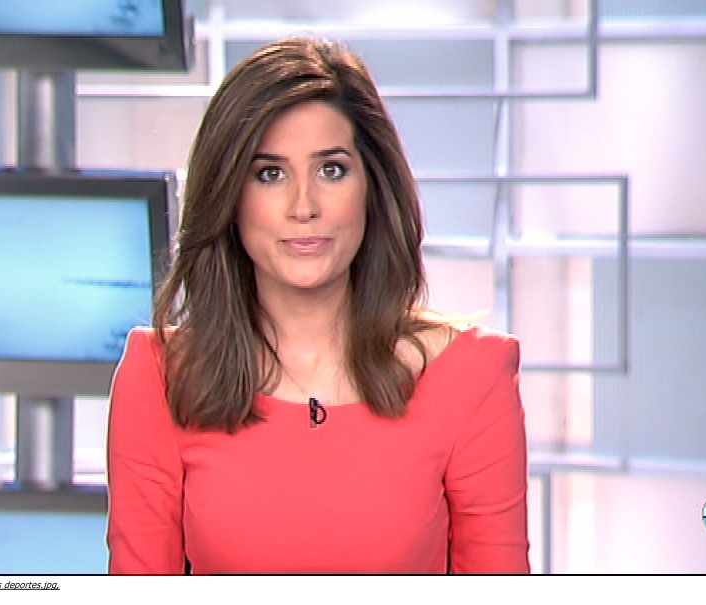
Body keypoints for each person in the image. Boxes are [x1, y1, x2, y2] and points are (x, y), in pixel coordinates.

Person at [106, 36, 530, 575]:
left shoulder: (471, 376)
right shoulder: (161, 376)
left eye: (331, 170)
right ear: (229, 197)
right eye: (270, 174)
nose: (303, 206)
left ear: (372, 187)